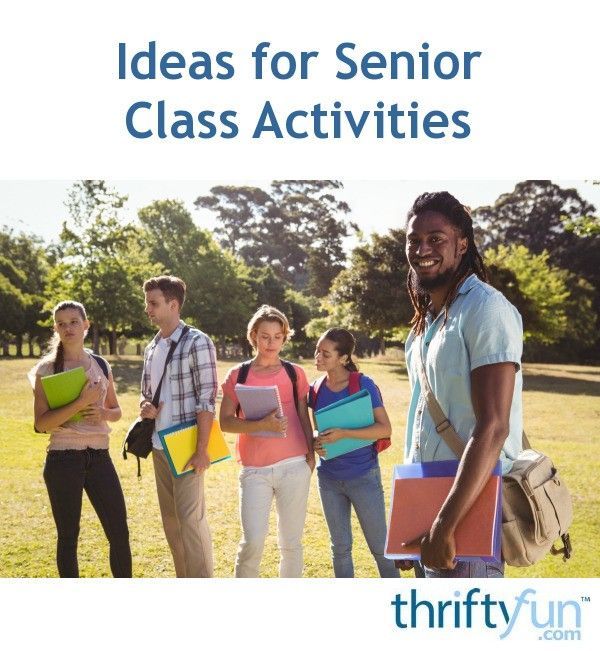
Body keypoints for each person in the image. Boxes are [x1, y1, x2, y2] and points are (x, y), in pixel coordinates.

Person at [402, 191, 523, 578]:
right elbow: (421, 428)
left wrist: (445, 524)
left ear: (462, 243)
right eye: (414, 239)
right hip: (428, 511)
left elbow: (493, 427)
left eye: (436, 238)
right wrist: (410, 518)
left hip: (467, 519)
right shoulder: (426, 323)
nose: (423, 248)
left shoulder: (485, 309)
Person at [31, 300, 131, 578]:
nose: (68, 328)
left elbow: (117, 410)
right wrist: (80, 402)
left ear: (86, 325)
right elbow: (41, 424)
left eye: (74, 322)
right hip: (63, 458)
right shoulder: (47, 370)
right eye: (62, 324)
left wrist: (101, 411)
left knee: (119, 533)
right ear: (56, 329)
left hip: (100, 457)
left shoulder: (100, 364)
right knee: (68, 538)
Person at [220, 305, 314, 578]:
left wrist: (310, 456)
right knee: (253, 542)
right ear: (253, 336)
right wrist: (261, 425)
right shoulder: (239, 375)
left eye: (277, 336)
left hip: (294, 465)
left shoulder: (295, 373)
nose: (271, 342)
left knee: (291, 544)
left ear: (285, 338)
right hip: (254, 470)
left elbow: (302, 415)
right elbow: (225, 422)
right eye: (264, 336)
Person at [140, 275, 218, 578]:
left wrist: (201, 450)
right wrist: (147, 408)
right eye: (147, 302)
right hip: (158, 445)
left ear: (174, 305)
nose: (148, 309)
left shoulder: (198, 342)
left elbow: (207, 400)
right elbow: (148, 396)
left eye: (154, 303)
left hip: (186, 445)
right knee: (171, 521)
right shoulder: (152, 346)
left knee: (190, 521)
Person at [309, 328, 399, 578]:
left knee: (381, 549)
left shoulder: (363, 384)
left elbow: (385, 428)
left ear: (344, 358)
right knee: (340, 549)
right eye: (318, 350)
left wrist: (345, 433)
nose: (317, 356)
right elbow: (316, 431)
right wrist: (316, 441)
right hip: (328, 478)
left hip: (363, 477)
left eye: (325, 354)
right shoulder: (315, 389)